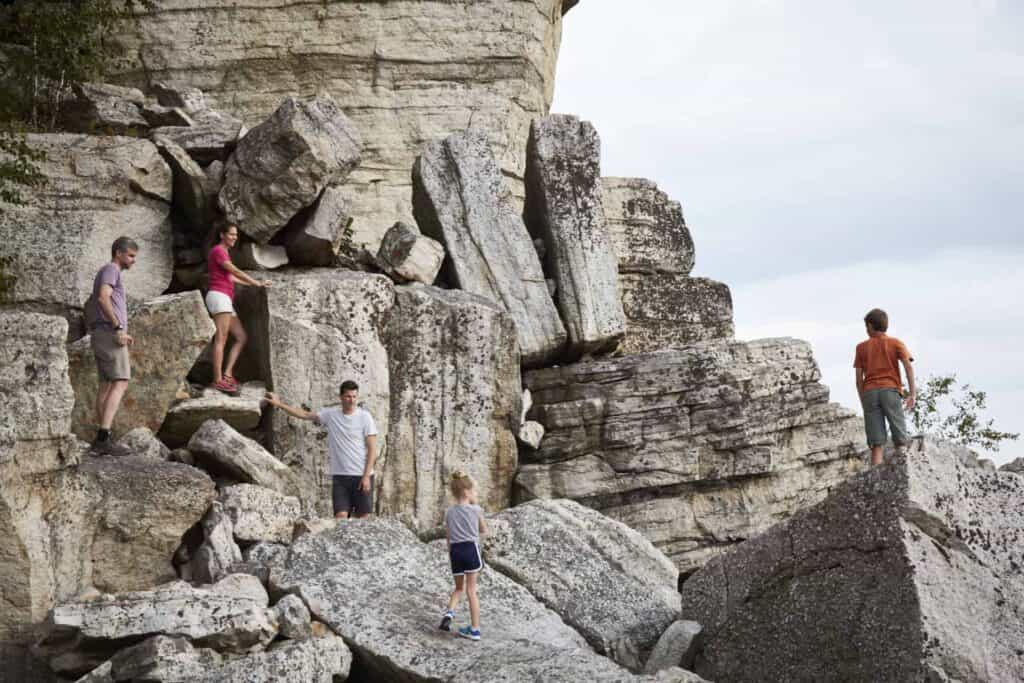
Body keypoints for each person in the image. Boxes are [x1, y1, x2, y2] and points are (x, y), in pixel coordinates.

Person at [264, 380, 378, 519]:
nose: (351, 400)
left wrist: (366, 476)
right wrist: (278, 404)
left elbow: (372, 449)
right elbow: (305, 415)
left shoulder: (365, 417)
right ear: (341, 397)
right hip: (340, 476)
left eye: (354, 396)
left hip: (362, 475)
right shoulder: (331, 415)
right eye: (348, 396)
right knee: (340, 519)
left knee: (363, 520)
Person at [87, 236, 138, 456]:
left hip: (101, 332)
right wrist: (118, 327)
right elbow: (102, 298)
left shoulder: (108, 270)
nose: (133, 261)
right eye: (131, 255)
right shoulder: (111, 269)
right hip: (110, 333)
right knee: (121, 381)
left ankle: (101, 436)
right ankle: (103, 437)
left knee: (106, 384)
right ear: (119, 252)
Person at [206, 224, 271, 395]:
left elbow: (231, 277)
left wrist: (256, 284)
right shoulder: (218, 250)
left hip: (225, 298)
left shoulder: (224, 252)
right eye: (231, 234)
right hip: (218, 297)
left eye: (236, 235)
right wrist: (255, 282)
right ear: (222, 235)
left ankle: (227, 374)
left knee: (242, 336)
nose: (234, 237)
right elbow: (233, 270)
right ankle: (218, 380)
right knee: (221, 338)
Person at [854, 308, 916, 466]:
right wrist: (912, 394)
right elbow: (908, 367)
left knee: (876, 443)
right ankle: (904, 473)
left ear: (870, 325)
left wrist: (863, 401)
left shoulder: (861, 347)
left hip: (869, 392)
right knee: (900, 438)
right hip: (890, 390)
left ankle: (876, 478)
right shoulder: (895, 343)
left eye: (866, 327)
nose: (866, 330)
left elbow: (858, 379)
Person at [439, 470, 486, 641]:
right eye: (473, 491)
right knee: (471, 591)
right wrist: (475, 505)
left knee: (459, 589)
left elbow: (448, 537)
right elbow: (483, 530)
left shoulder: (449, 512)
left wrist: (451, 553)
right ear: (467, 492)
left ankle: (449, 614)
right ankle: (474, 630)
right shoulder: (476, 509)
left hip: (455, 552)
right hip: (470, 550)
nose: (474, 494)